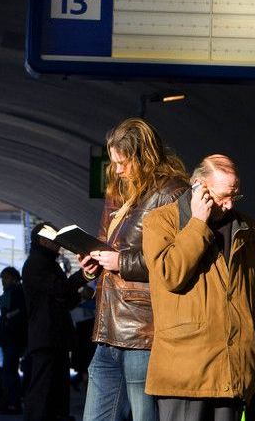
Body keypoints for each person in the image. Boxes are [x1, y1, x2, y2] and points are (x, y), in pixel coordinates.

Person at [141, 154, 255, 421]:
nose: (228, 205)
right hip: (184, 374)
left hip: (233, 369)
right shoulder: (161, 222)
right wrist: (197, 224)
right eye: (222, 196)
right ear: (199, 188)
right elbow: (171, 273)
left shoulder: (250, 232)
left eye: (233, 196)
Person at [79, 118, 189, 421]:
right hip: (107, 329)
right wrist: (92, 265)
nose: (117, 170)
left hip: (144, 331)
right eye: (113, 162)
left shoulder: (173, 194)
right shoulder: (118, 193)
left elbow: (179, 261)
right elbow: (104, 243)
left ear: (145, 156)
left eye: (123, 162)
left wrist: (121, 263)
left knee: (145, 416)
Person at [23, 222, 89, 421]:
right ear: (43, 240)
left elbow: (64, 299)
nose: (59, 246)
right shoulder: (36, 264)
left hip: (55, 337)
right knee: (42, 391)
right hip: (45, 337)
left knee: (57, 390)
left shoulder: (50, 264)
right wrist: (83, 275)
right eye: (56, 241)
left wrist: (80, 295)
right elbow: (59, 289)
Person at [0, 266, 28, 414]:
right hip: (9, 338)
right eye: (2, 278)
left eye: (5, 278)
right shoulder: (8, 294)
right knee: (10, 370)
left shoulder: (18, 293)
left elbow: (20, 313)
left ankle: (13, 402)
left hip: (15, 337)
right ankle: (12, 401)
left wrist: (9, 317)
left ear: (13, 278)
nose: (3, 281)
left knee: (10, 371)